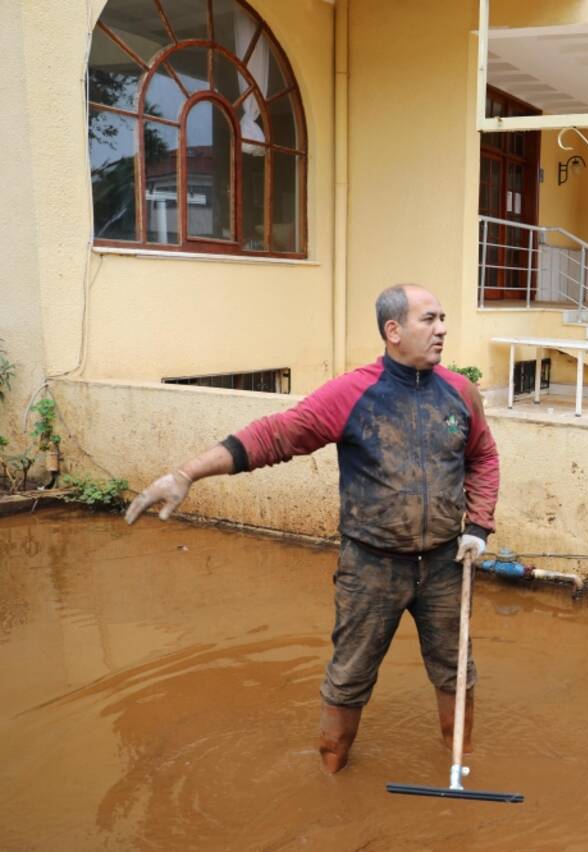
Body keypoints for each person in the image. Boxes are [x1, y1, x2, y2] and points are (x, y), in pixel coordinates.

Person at [124, 285, 500, 774]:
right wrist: (186, 473)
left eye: (443, 318)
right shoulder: (353, 393)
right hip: (372, 568)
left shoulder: (460, 392)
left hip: (448, 566)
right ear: (393, 331)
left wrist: (480, 525)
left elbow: (483, 457)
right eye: (429, 319)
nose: (443, 328)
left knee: (456, 674)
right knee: (349, 677)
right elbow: (275, 434)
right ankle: (331, 773)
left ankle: (460, 765)